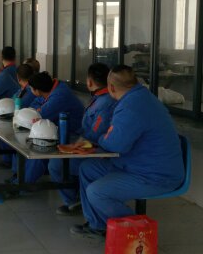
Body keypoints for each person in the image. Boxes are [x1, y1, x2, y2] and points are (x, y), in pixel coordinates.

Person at [71, 66, 184, 239]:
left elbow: (116, 145)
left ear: (111, 87)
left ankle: (140, 231)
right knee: (88, 168)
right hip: (138, 165)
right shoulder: (140, 96)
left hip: (156, 176)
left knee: (97, 192)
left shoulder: (132, 106)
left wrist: (100, 138)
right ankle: (98, 225)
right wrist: (105, 138)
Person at [48, 63, 117, 215]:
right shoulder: (99, 98)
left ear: (90, 82)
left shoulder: (105, 103)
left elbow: (95, 134)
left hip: (97, 151)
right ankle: (79, 196)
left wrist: (74, 146)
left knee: (56, 164)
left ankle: (73, 201)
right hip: (88, 143)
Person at [14, 71, 85, 183]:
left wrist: (37, 110)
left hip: (73, 135)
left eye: (31, 89)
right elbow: (34, 106)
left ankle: (22, 184)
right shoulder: (50, 90)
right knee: (27, 143)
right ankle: (19, 177)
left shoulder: (60, 96)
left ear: (37, 90)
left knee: (38, 150)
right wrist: (37, 110)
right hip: (57, 130)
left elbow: (37, 116)